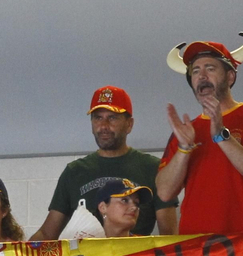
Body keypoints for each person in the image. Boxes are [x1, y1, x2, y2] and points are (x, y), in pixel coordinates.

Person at [157, 33, 243, 236]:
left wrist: (221, 136)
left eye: (210, 68)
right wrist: (183, 149)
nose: (201, 76)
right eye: (195, 71)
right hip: (195, 248)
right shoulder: (185, 130)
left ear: (230, 77)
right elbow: (164, 192)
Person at [35, 86, 177, 241]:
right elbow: (47, 234)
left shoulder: (153, 168)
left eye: (112, 118)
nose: (103, 126)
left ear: (129, 124)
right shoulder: (74, 171)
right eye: (97, 118)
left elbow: (169, 235)